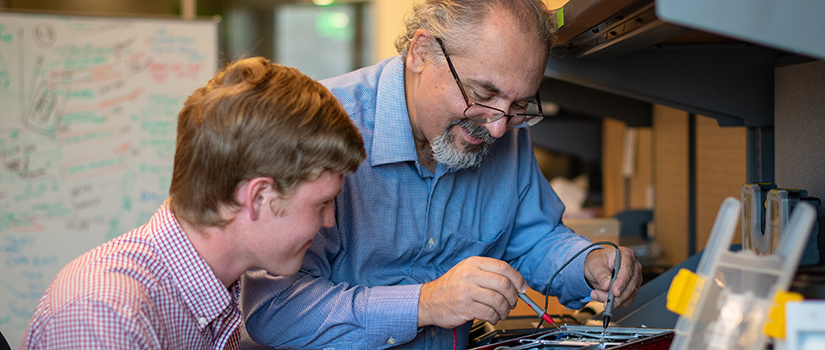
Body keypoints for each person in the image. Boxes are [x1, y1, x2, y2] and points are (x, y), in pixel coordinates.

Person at [240, 0, 643, 349]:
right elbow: (275, 308)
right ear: (421, 51)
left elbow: (532, 237)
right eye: (482, 94)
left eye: (520, 103)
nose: (499, 128)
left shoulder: (500, 125)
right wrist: (426, 303)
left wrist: (588, 263)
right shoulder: (318, 127)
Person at [18, 57, 366, 350]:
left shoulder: (213, 291)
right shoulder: (105, 316)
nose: (329, 221)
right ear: (258, 197)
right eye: (322, 202)